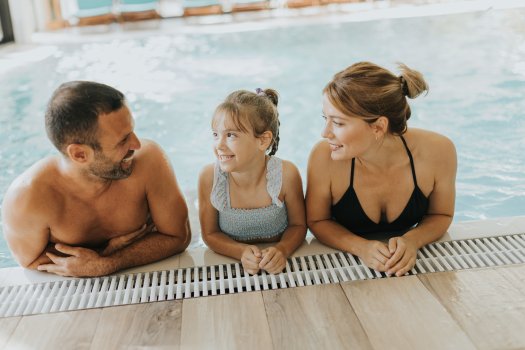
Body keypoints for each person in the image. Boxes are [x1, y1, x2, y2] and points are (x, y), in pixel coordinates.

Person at [1, 81, 191, 277]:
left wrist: (109, 262)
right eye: (123, 140)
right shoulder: (27, 199)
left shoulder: (149, 161)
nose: (136, 144)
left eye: (132, 132)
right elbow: (30, 261)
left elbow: (178, 236)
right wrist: (103, 255)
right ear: (79, 154)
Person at [306, 62, 456, 277]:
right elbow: (317, 221)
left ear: (378, 127)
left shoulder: (438, 151)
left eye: (338, 123)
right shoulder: (324, 157)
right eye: (325, 119)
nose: (325, 132)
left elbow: (441, 214)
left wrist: (413, 240)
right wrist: (360, 247)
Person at [198, 88, 307, 274]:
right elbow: (210, 234)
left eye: (231, 135)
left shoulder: (286, 174)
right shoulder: (210, 177)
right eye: (216, 134)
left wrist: (282, 250)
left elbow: (298, 226)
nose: (219, 145)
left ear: (263, 140)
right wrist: (240, 252)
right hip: (233, 262)